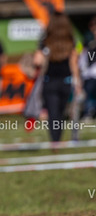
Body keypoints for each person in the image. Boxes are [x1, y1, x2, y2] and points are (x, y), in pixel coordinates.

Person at [34, 11, 82, 146]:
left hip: (50, 80)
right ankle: (57, 138)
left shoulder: (45, 40)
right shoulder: (70, 40)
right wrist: (77, 82)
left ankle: (55, 140)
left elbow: (37, 60)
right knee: (60, 112)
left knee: (52, 112)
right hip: (66, 81)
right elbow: (74, 63)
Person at [79, 17, 96, 120]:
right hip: (90, 72)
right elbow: (87, 55)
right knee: (89, 93)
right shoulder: (88, 39)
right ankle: (89, 112)